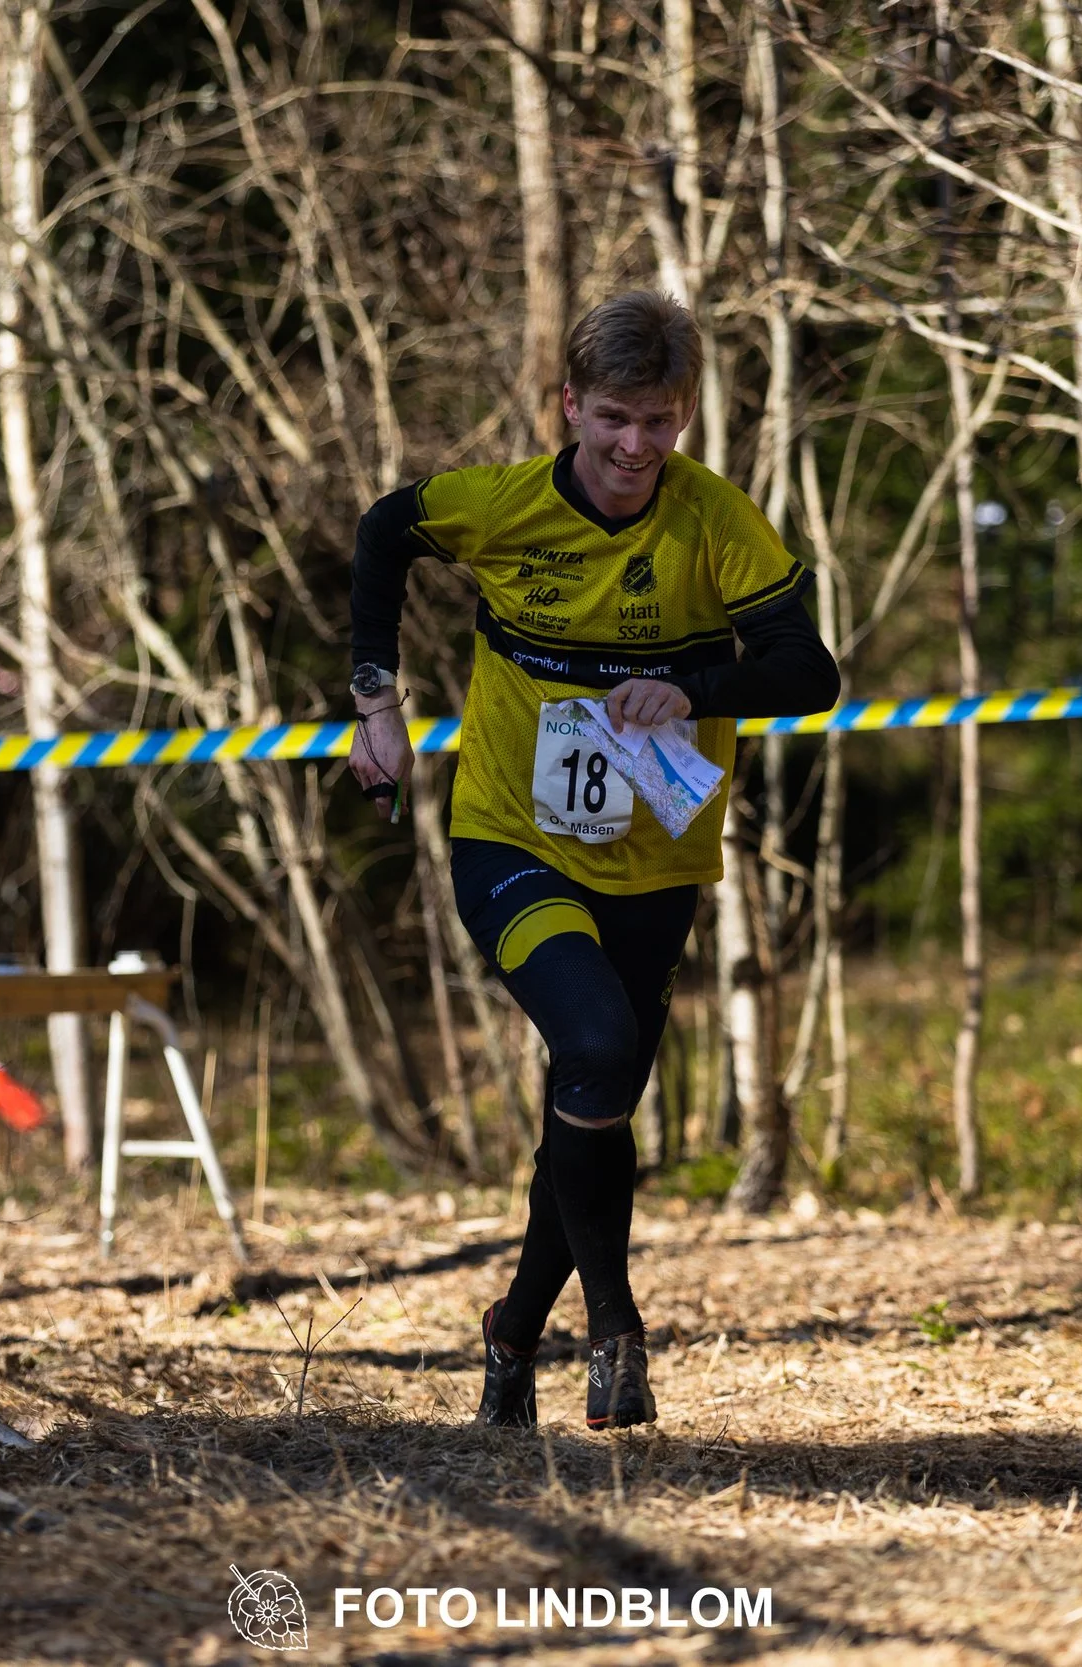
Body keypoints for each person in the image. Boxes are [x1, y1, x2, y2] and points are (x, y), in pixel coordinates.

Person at [346, 291, 839, 1430]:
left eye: (659, 422)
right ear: (569, 406)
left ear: (686, 417)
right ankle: (617, 1331)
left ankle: (512, 1334)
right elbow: (384, 529)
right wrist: (376, 699)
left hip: (658, 861)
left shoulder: (716, 521)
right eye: (612, 417)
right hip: (511, 836)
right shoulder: (504, 505)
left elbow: (806, 670)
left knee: (593, 1094)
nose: (633, 446)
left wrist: (697, 684)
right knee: (599, 1042)